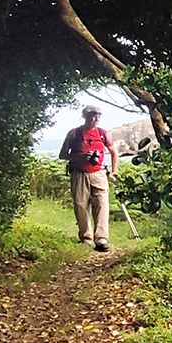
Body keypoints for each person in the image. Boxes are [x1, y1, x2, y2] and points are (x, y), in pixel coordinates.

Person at [59, 106, 118, 251]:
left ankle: (102, 239)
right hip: (79, 173)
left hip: (99, 173)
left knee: (102, 204)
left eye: (98, 115)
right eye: (93, 115)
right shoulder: (74, 133)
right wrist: (80, 156)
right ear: (85, 116)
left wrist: (113, 173)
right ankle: (86, 238)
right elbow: (62, 154)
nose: (96, 118)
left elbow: (114, 152)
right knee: (80, 205)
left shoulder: (103, 133)